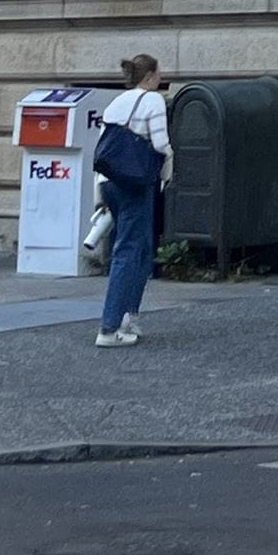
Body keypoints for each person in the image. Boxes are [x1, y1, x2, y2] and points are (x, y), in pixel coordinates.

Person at [94, 54, 173, 349]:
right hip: (136, 183)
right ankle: (111, 326)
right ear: (151, 75)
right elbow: (161, 143)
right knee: (130, 251)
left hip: (111, 182)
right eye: (159, 72)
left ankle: (129, 317)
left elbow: (104, 146)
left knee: (139, 248)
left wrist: (98, 196)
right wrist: (168, 171)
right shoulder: (153, 101)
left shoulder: (117, 103)